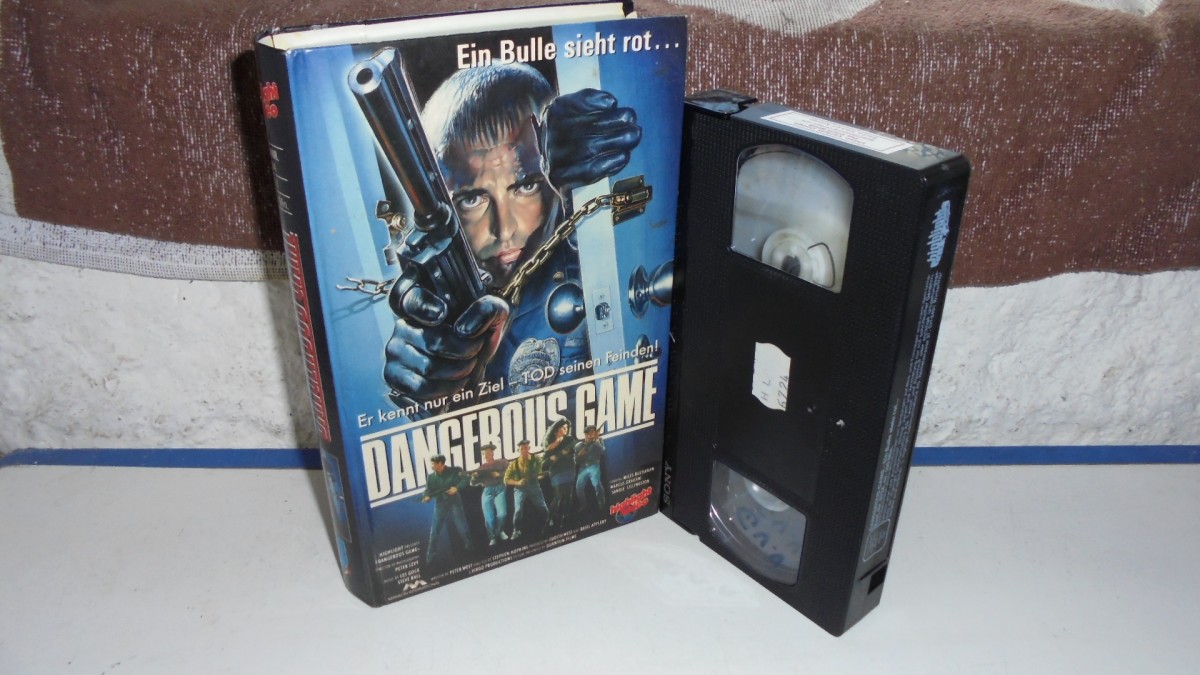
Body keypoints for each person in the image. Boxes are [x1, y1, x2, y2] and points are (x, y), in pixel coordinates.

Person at [383, 62, 640, 407]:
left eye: (525, 186)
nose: (504, 229)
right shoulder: (443, 307)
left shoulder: (599, 260)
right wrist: (426, 386)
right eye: (471, 199)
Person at [422, 454, 475, 564]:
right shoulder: (431, 477)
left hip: (454, 502)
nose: (431, 466)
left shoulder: (455, 471)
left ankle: (471, 547)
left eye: (433, 464)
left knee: (463, 527)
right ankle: (430, 556)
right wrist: (426, 496)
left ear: (440, 464)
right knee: (434, 531)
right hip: (440, 505)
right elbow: (428, 490)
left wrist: (457, 488)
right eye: (431, 463)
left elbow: (466, 479)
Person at [503, 439, 548, 540]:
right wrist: (517, 482)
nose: (524, 450)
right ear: (518, 450)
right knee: (518, 510)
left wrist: (539, 476)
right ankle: (516, 530)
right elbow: (506, 480)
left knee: (542, 505)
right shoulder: (513, 464)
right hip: (519, 489)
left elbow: (538, 471)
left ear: (529, 448)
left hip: (533, 486)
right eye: (522, 449)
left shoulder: (536, 459)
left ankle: (548, 521)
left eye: (526, 448)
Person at [470, 443, 510, 546]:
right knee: (489, 517)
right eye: (483, 454)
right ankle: (492, 536)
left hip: (500, 488)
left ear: (492, 453)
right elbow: (473, 483)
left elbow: (510, 471)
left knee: (502, 514)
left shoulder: (501, 462)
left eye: (487, 453)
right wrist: (474, 477)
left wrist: (499, 474)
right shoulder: (481, 468)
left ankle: (500, 531)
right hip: (487, 491)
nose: (485, 456)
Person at [541, 419, 578, 529]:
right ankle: (549, 520)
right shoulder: (548, 445)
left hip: (569, 470)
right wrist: (551, 459)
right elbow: (544, 463)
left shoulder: (569, 440)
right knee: (558, 497)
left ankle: (565, 518)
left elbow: (574, 448)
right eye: (563, 427)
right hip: (557, 472)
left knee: (568, 496)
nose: (566, 429)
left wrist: (567, 452)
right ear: (556, 430)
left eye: (567, 427)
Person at [574, 424, 607, 516]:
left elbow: (601, 451)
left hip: (594, 466)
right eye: (591, 432)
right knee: (578, 488)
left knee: (597, 485)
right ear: (586, 434)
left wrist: (597, 440)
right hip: (583, 468)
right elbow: (576, 461)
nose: (593, 434)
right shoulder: (578, 446)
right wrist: (580, 455)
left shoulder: (598, 441)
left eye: (594, 432)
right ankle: (583, 505)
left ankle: (602, 504)